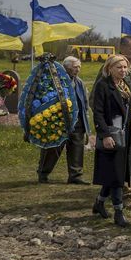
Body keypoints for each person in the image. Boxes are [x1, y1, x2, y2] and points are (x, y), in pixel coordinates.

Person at [91, 55, 131, 228]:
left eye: (125, 67)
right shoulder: (103, 85)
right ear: (109, 69)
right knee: (116, 175)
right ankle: (118, 212)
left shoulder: (125, 85)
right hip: (111, 135)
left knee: (115, 173)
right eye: (119, 67)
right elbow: (98, 112)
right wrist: (105, 135)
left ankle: (99, 203)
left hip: (124, 134)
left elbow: (127, 109)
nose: (123, 70)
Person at [37, 56, 91, 184]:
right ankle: (43, 173)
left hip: (77, 122)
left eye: (79, 67)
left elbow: (85, 103)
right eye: (75, 67)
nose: (78, 70)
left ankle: (75, 176)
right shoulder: (55, 81)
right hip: (58, 122)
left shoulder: (80, 82)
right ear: (66, 67)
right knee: (53, 149)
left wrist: (86, 119)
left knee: (77, 149)